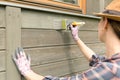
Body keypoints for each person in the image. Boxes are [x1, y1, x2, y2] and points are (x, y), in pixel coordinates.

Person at [12, 0, 120, 80]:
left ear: (105, 22)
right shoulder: (114, 64)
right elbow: (96, 61)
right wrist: (77, 38)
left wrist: (28, 72)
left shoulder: (111, 70)